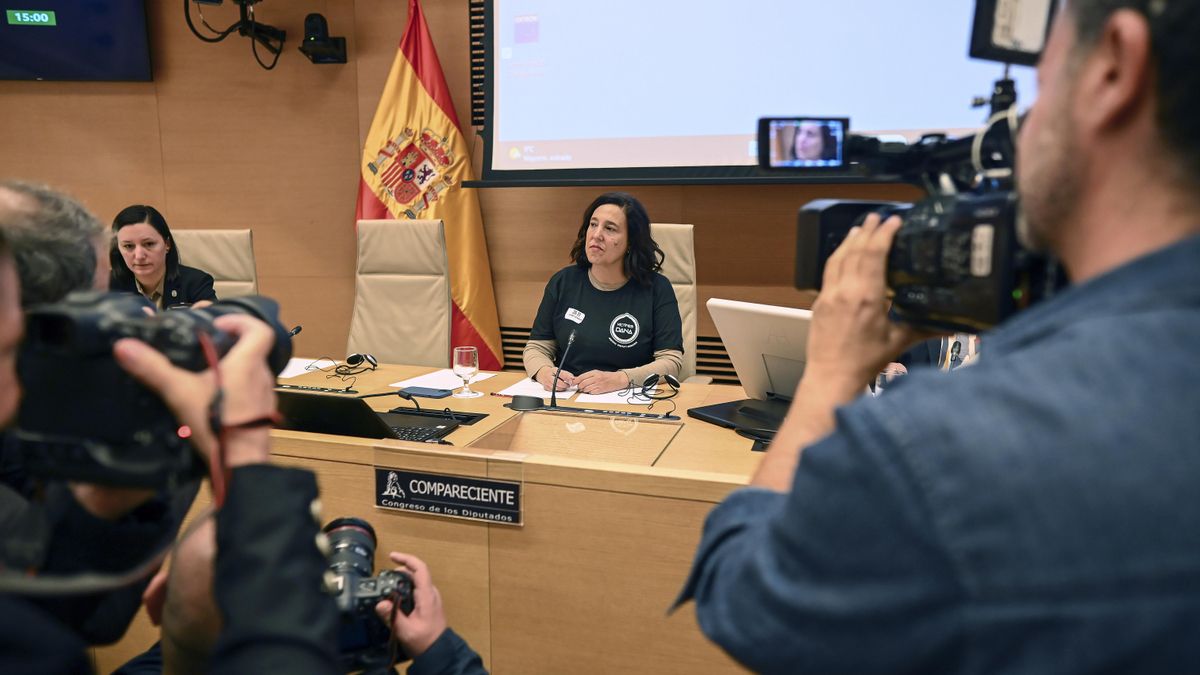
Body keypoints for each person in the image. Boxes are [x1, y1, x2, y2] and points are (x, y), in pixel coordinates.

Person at [677, 2, 1200, 673]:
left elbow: (745, 597)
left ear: (1113, 68)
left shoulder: (936, 450)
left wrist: (831, 374)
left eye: (1042, 84)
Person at [523, 192, 683, 394]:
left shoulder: (657, 288)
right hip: (567, 398)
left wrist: (621, 379)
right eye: (593, 224)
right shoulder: (563, 282)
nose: (596, 234)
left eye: (610, 229)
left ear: (631, 242)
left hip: (629, 403)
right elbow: (537, 347)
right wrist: (544, 371)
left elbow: (671, 362)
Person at [109, 205, 216, 310]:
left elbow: (219, 323)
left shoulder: (195, 283)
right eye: (128, 246)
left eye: (149, 244)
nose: (139, 256)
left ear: (167, 244)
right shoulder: (106, 285)